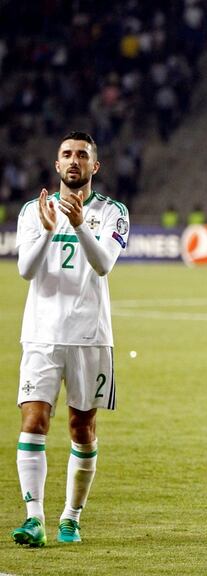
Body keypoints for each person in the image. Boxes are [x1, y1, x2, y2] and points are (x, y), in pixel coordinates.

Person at [13, 132, 130, 546]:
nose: (74, 160)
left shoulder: (114, 212)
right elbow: (25, 270)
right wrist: (47, 231)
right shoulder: (33, 211)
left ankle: (71, 516)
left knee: (82, 428)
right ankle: (34, 518)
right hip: (41, 335)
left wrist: (79, 224)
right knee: (34, 420)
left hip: (90, 337)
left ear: (95, 167)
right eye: (67, 155)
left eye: (82, 155)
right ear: (56, 165)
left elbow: (103, 265)